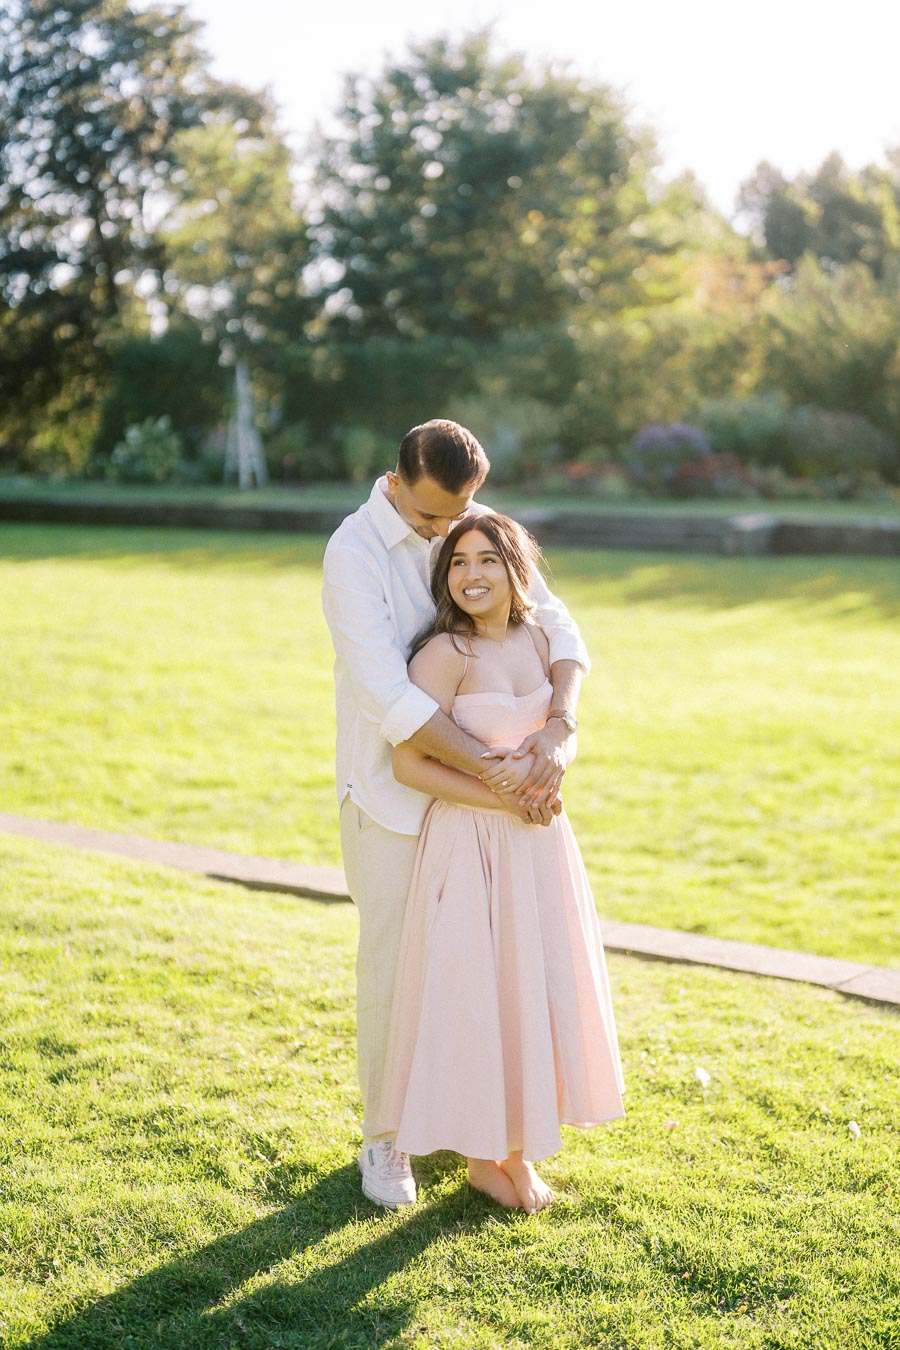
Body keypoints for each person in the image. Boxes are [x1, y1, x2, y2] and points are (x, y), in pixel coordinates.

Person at [322, 420, 589, 1208]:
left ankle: (461, 1121)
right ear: (396, 483)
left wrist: (559, 729)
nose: (445, 537)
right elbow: (393, 701)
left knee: (476, 971)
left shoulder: (460, 523)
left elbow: (556, 621)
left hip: (480, 805)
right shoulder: (353, 555)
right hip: (392, 798)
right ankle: (386, 1139)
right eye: (434, 519)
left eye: (459, 516)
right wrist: (506, 781)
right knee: (395, 969)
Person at [369, 514, 625, 1212]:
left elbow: (558, 731)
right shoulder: (445, 653)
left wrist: (555, 759)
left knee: (529, 987)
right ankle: (485, 1158)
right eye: (457, 564)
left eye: (488, 560)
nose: (472, 575)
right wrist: (499, 799)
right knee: (478, 993)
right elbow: (408, 761)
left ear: (519, 570)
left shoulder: (542, 638)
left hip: (539, 846)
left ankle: (518, 1150)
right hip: (471, 843)